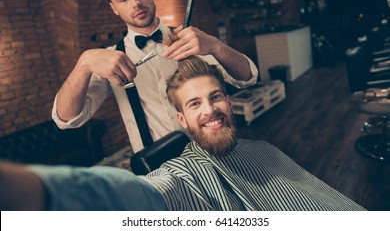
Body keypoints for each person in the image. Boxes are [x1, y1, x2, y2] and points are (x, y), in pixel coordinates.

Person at [1, 57, 364, 211]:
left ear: (230, 102)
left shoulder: (263, 148)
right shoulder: (183, 176)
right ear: (182, 117)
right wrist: (36, 190)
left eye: (216, 97)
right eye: (195, 104)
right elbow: (140, 194)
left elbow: (247, 75)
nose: (209, 109)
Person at [52, 0, 258, 152]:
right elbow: (66, 119)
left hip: (212, 150)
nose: (135, 3)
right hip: (159, 168)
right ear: (114, 8)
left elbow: (247, 77)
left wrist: (216, 46)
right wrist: (83, 63)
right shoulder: (111, 60)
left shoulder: (190, 39)